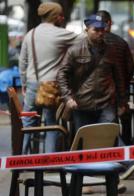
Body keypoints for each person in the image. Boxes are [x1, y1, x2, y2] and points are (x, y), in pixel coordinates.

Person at [19, 2, 82, 153]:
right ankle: (49, 161)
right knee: (51, 124)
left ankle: (20, 160)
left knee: (27, 124)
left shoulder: (31, 34)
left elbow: (23, 62)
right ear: (55, 16)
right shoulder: (60, 33)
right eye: (60, 15)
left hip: (32, 84)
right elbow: (84, 40)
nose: (63, 17)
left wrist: (24, 84)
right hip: (51, 86)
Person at [57, 15, 122, 130]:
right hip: (82, 104)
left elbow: (118, 77)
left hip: (106, 104)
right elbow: (62, 74)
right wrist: (68, 98)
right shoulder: (75, 50)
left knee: (107, 140)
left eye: (102, 30)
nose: (100, 33)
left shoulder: (111, 50)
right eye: (96, 30)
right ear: (86, 30)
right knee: (85, 141)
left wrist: (122, 102)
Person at [96, 10, 134, 117]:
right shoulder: (121, 42)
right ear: (109, 23)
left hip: (96, 93)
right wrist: (124, 84)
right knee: (115, 123)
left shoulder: (89, 43)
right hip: (117, 92)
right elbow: (130, 68)